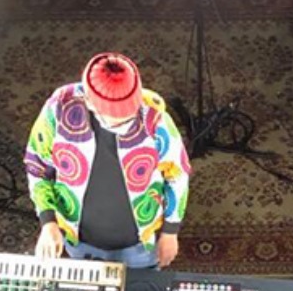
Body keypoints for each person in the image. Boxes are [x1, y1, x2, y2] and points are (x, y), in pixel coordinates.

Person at [24, 52, 191, 268]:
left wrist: (170, 231)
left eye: (131, 116)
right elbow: (37, 167)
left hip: (140, 243)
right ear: (89, 104)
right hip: (80, 241)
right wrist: (48, 223)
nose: (129, 126)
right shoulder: (57, 111)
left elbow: (178, 174)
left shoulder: (154, 119)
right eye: (118, 122)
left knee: (143, 284)